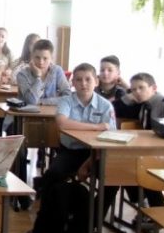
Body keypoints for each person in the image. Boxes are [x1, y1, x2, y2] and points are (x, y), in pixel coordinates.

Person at [30, 63, 117, 220]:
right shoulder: (66, 101)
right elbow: (62, 123)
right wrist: (96, 127)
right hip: (70, 152)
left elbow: (109, 138)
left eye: (88, 79)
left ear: (96, 81)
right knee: (53, 174)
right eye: (78, 80)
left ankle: (92, 221)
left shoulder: (105, 106)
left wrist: (88, 163)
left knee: (112, 180)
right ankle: (44, 220)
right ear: (73, 83)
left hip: (96, 154)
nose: (83, 84)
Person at [113, 72, 164, 210]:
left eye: (141, 88)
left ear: (154, 88)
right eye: (133, 89)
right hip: (151, 152)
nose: (137, 92)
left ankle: (156, 209)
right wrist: (128, 96)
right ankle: (142, 201)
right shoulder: (142, 106)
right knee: (123, 167)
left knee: (143, 169)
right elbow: (114, 109)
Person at [15, 39, 71, 106]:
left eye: (45, 58)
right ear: (32, 56)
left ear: (51, 58)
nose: (41, 62)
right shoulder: (22, 74)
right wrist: (38, 77)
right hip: (28, 112)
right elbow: (30, 101)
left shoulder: (57, 71)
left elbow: (68, 97)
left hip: (51, 112)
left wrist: (42, 102)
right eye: (37, 57)